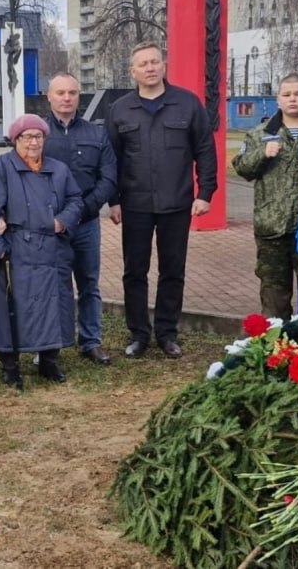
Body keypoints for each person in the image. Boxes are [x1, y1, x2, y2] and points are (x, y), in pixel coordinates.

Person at [106, 42, 218, 360]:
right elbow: (110, 159)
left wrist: (205, 193)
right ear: (133, 71)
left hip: (176, 203)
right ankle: (138, 334)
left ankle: (167, 333)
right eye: (143, 64)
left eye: (155, 62)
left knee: (172, 270)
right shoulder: (120, 110)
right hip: (135, 204)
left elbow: (205, 150)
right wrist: (113, 200)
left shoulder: (187, 104)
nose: (150, 68)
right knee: (134, 271)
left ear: (163, 65)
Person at [0, 114, 83, 388]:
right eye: (27, 137)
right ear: (16, 140)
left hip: (52, 249)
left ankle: (49, 360)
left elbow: (75, 199)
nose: (33, 142)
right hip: (16, 251)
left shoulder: (59, 169)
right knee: (10, 308)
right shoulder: (0, 169)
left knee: (54, 305)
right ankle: (10, 365)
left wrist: (63, 221)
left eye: (38, 136)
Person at [232, 73, 298, 319]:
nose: (292, 99)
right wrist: (263, 154)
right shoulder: (261, 133)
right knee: (274, 293)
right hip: (273, 227)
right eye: (286, 95)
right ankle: (277, 340)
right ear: (278, 99)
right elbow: (242, 168)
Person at [42, 73, 118, 364]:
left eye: (72, 93)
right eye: (60, 92)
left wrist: (83, 210)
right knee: (53, 285)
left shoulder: (96, 134)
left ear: (78, 96)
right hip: (51, 225)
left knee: (88, 283)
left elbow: (108, 178)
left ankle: (91, 341)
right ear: (49, 97)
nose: (66, 98)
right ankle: (52, 342)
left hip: (86, 222)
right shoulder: (37, 133)